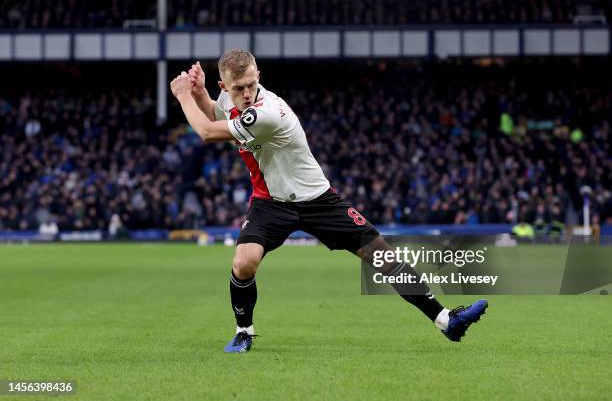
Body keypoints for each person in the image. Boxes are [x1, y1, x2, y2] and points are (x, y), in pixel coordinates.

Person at [170, 49, 488, 353]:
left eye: (252, 84)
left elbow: (209, 133)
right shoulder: (231, 98)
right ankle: (244, 333)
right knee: (243, 263)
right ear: (224, 86)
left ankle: (447, 320)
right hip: (270, 202)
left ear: (259, 76)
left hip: (317, 199)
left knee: (383, 257)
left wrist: (183, 94)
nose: (247, 92)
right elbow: (216, 113)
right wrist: (199, 94)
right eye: (238, 88)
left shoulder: (267, 113)